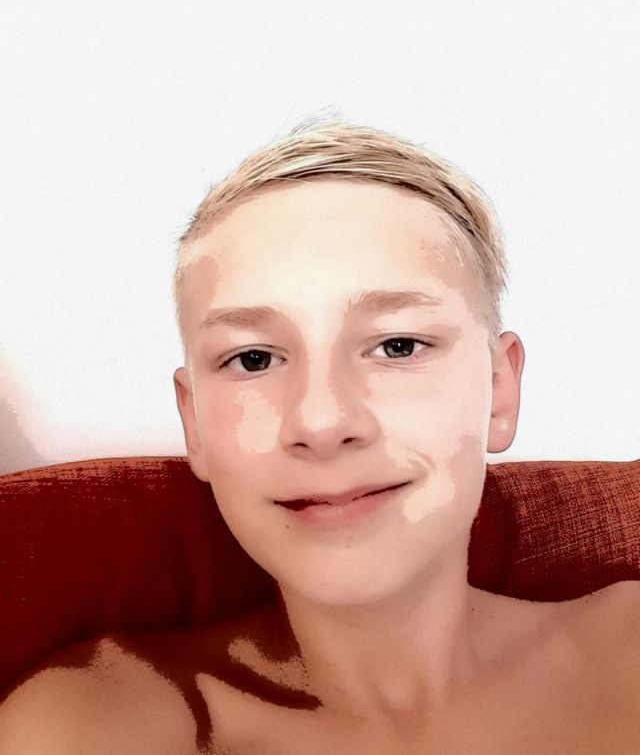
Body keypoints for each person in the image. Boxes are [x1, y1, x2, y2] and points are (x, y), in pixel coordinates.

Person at [1, 122, 638, 754]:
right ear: (194, 423)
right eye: (253, 359)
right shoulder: (95, 725)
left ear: (499, 391)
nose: (321, 422)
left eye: (398, 345)